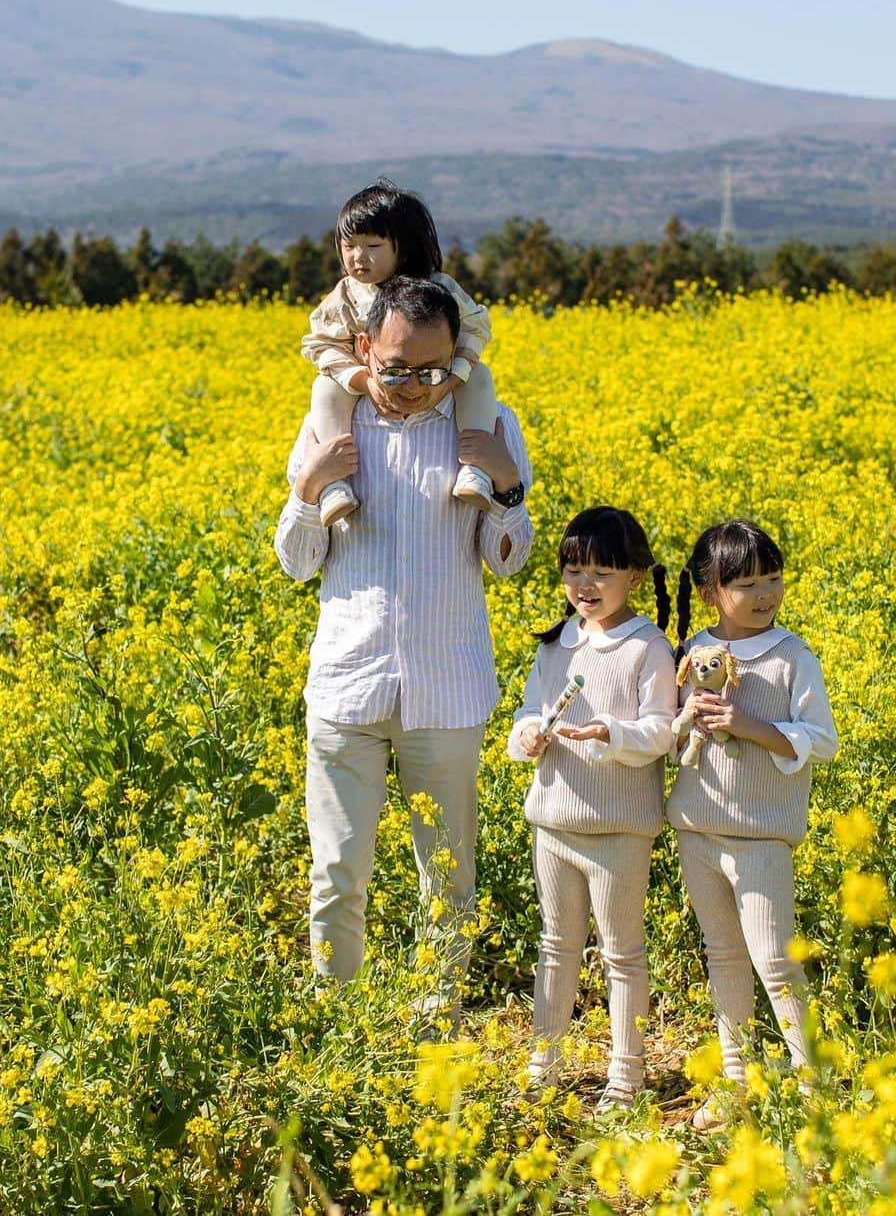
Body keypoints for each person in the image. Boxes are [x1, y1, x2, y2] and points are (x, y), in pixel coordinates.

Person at [275, 275, 533, 1025]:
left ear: (455, 360)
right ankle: (337, 1022)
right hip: (347, 685)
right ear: (363, 349)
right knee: (336, 871)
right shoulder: (331, 423)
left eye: (431, 370)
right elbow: (296, 561)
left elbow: (507, 560)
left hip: (445, 689)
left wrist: (510, 488)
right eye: (395, 368)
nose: (414, 386)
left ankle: (436, 1020)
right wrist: (309, 490)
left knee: (446, 875)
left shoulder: (485, 427)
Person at [666, 519, 838, 1130]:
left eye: (773, 577)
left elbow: (822, 740)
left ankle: (813, 1083)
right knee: (724, 955)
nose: (766, 593)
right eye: (748, 583)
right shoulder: (688, 651)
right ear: (711, 590)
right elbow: (666, 734)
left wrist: (749, 727)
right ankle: (735, 1081)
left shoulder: (793, 656)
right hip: (697, 827)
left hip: (763, 833)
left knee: (774, 958)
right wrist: (685, 717)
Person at [507, 507, 677, 1110]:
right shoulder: (557, 643)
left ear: (635, 575)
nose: (584, 584)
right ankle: (543, 1064)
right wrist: (526, 736)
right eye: (573, 570)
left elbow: (662, 730)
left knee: (621, 952)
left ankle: (626, 1078)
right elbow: (528, 711)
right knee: (556, 944)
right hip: (553, 820)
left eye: (601, 571)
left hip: (619, 829)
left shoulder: (648, 647)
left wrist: (611, 732)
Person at [301, 179, 498, 526]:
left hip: (438, 383)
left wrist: (451, 379)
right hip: (366, 387)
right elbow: (320, 344)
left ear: (403, 248)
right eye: (349, 245)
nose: (358, 257)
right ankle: (334, 485)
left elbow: (475, 328)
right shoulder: (347, 295)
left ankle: (476, 471)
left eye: (373, 245)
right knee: (325, 387)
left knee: (480, 377)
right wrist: (363, 381)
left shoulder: (438, 288)